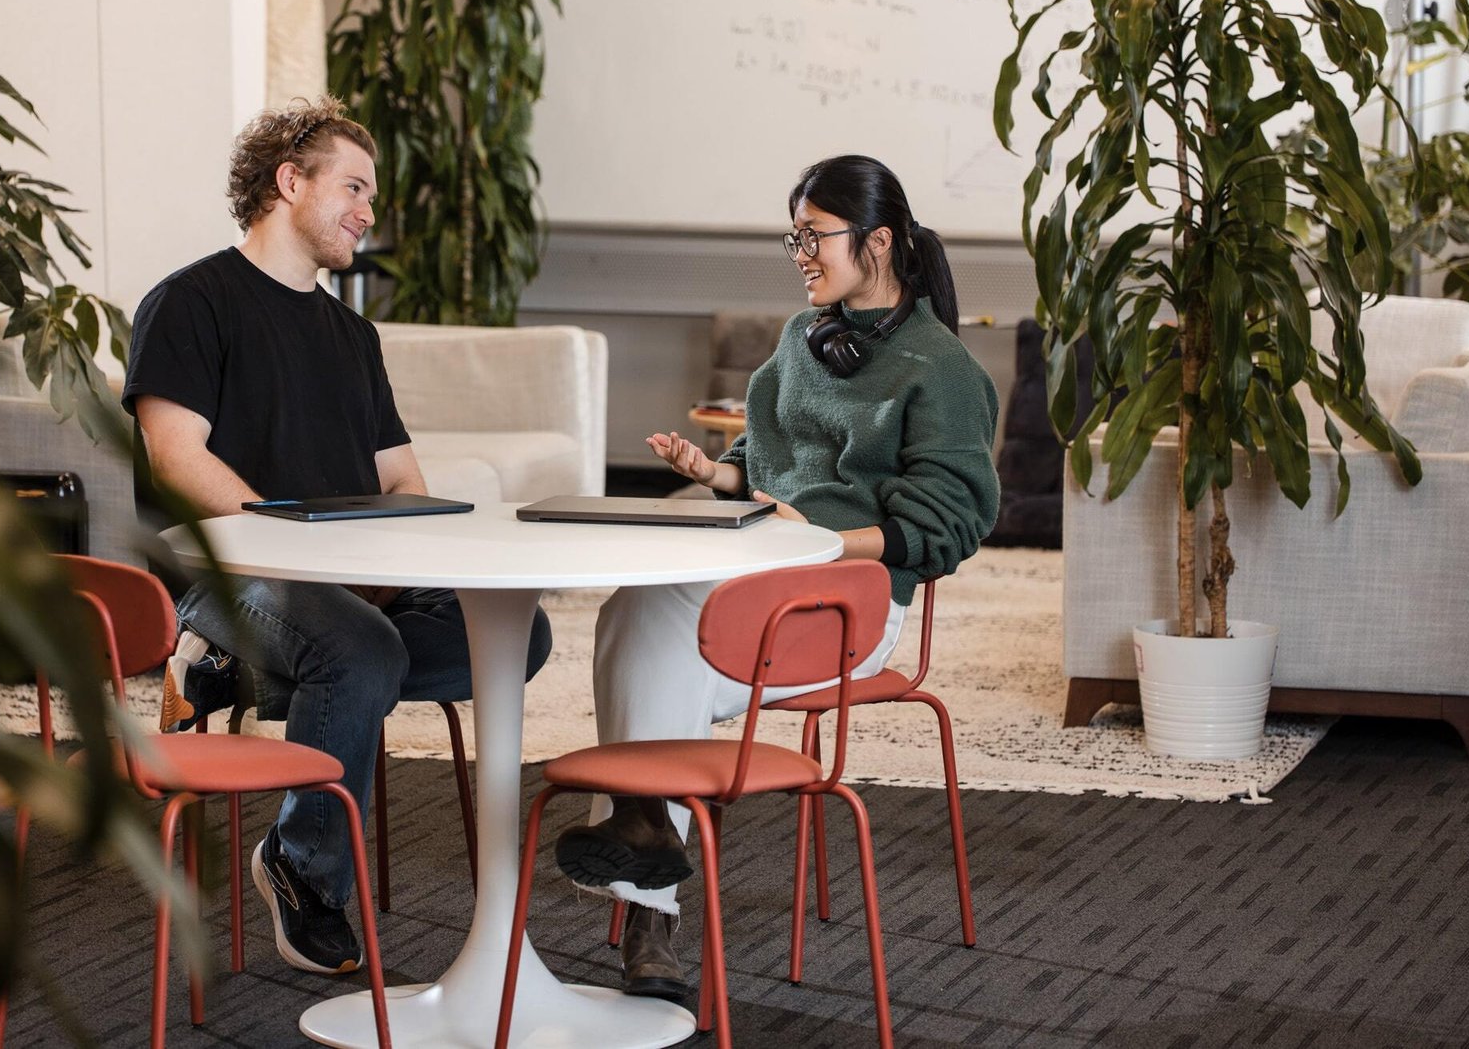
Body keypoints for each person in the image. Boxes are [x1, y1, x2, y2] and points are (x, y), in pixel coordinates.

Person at [121, 96, 552, 977]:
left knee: (518, 634)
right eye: (354, 188)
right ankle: (302, 865)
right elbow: (175, 456)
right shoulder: (190, 301)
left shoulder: (353, 335)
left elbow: (400, 477)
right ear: (290, 183)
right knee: (360, 652)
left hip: (346, 578)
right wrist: (302, 553)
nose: (368, 212)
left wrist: (399, 557)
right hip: (228, 573)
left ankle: (239, 673)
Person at [553, 154, 999, 1004]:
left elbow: (946, 527)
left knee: (660, 628)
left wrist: (820, 541)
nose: (800, 254)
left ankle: (645, 847)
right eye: (792, 237)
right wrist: (714, 474)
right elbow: (763, 466)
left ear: (878, 240)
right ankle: (649, 877)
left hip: (852, 602)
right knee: (639, 606)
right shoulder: (803, 341)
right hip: (761, 578)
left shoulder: (940, 368)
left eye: (813, 235)